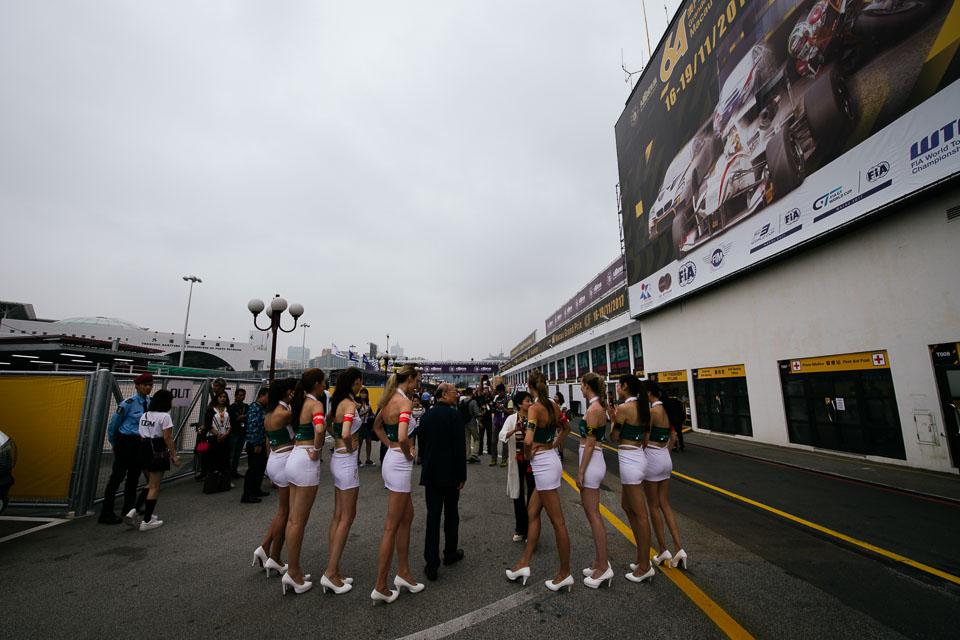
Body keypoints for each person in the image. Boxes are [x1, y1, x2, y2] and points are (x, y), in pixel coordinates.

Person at [506, 370, 572, 592]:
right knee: (532, 513)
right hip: (551, 459)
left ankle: (565, 573)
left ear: (530, 386)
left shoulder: (534, 409)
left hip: (543, 465)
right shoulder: (554, 407)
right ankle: (524, 564)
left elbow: (528, 438)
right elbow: (567, 428)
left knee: (558, 521)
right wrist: (553, 445)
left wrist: (528, 453)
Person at [371, 364, 424, 604]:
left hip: (391, 460)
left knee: (407, 515)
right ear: (410, 379)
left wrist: (390, 446)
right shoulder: (404, 403)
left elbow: (376, 426)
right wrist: (407, 451)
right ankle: (380, 585)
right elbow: (403, 435)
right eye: (417, 381)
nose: (418, 385)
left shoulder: (388, 399)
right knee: (391, 526)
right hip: (400, 464)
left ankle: (403, 573)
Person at [280, 369, 326, 595]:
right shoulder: (315, 404)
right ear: (317, 384)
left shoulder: (299, 402)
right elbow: (319, 429)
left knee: (292, 519)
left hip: (294, 457)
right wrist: (318, 451)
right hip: (307, 459)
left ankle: (294, 568)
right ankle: (293, 572)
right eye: (324, 382)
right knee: (299, 521)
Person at [608, 374, 655, 583]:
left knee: (640, 513)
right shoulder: (645, 409)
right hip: (639, 457)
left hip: (629, 460)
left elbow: (614, 437)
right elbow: (645, 439)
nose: (617, 388)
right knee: (627, 506)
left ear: (625, 386)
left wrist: (613, 420)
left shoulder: (625, 409)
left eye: (618, 385)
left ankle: (645, 566)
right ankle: (641, 558)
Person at [418, 382, 467, 581]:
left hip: (431, 474)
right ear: (444, 395)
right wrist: (462, 475)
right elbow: (459, 447)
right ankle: (450, 553)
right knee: (451, 514)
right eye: (454, 392)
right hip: (450, 475)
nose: (457, 395)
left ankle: (431, 564)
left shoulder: (426, 416)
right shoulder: (454, 416)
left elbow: (422, 445)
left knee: (432, 517)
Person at [323, 367, 364, 595]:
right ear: (356, 382)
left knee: (338, 516)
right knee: (346, 518)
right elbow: (347, 433)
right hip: (347, 462)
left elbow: (331, 425)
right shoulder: (348, 405)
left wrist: (340, 440)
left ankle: (335, 569)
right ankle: (330, 573)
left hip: (337, 460)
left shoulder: (338, 402)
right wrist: (349, 446)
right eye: (361, 382)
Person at [252, 378, 297, 579]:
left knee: (281, 511)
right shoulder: (285, 413)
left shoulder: (269, 413)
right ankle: (275, 557)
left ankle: (265, 547)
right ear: (287, 393)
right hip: (285, 460)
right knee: (285, 512)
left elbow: (269, 440)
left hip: (275, 459)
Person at [644, 380, 687, 569]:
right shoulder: (668, 411)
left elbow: (644, 440)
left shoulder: (652, 412)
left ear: (648, 394)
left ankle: (663, 550)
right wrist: (665, 454)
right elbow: (673, 437)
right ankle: (679, 548)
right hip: (665, 457)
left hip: (652, 457)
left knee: (653, 506)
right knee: (665, 504)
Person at [100, 373, 153, 525]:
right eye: (145, 385)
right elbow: (114, 426)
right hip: (126, 441)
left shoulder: (150, 403)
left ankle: (129, 508)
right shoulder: (127, 403)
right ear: (137, 386)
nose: (148, 388)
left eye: (150, 385)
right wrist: (115, 444)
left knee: (134, 477)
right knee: (117, 477)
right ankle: (106, 511)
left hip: (140, 442)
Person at [577, 373, 611, 588]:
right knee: (592, 514)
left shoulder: (593, 410)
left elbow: (589, 444)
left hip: (591, 462)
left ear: (587, 387)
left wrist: (580, 472)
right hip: (594, 460)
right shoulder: (599, 408)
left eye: (581, 384)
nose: (580, 387)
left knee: (593, 515)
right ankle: (599, 561)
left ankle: (604, 567)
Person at [136, 389, 180, 531]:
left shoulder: (145, 415)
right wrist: (174, 454)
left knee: (150, 483)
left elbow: (142, 435)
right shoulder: (164, 417)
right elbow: (167, 437)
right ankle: (147, 520)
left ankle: (136, 509)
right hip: (158, 449)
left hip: (144, 448)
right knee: (155, 486)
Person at [498, 391, 535, 542]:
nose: (530, 403)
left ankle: (532, 531)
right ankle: (520, 529)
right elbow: (502, 435)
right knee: (518, 495)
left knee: (533, 497)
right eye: (527, 401)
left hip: (532, 462)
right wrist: (515, 429)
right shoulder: (512, 419)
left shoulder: (535, 418)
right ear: (519, 404)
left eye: (531, 400)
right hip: (517, 461)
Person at [241, 387, 269, 504]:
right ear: (261, 396)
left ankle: (256, 489)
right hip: (255, 443)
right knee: (253, 468)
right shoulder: (254, 408)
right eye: (268, 397)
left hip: (262, 442)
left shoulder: (262, 408)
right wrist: (257, 443)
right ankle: (247, 494)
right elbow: (253, 427)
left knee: (260, 468)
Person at [203, 390, 232, 483]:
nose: (222, 399)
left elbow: (231, 423)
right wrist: (217, 434)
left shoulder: (228, 409)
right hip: (213, 437)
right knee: (213, 457)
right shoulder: (211, 410)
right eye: (220, 397)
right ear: (216, 398)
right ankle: (212, 479)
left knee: (225, 458)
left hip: (225, 436)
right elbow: (208, 424)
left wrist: (226, 433)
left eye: (224, 397)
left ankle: (225, 479)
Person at [227, 388, 249, 479]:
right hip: (234, 432)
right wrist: (241, 417)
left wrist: (242, 417)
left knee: (238, 453)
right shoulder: (231, 407)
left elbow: (248, 416)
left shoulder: (246, 406)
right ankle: (228, 472)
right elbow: (234, 419)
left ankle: (234, 470)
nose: (241, 397)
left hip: (242, 432)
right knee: (231, 453)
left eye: (243, 395)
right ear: (235, 396)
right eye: (239, 395)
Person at [492, 384, 514, 468]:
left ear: (504, 391)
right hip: (496, 422)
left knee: (504, 442)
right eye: (498, 392)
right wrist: (493, 407)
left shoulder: (508, 399)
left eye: (500, 392)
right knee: (494, 442)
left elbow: (510, 411)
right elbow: (493, 407)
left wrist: (502, 408)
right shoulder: (496, 398)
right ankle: (493, 458)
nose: (499, 393)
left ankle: (504, 460)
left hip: (505, 423)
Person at [459, 387, 481, 463]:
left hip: (464, 423)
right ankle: (475, 454)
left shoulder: (461, 402)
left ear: (465, 394)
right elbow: (476, 413)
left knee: (467, 440)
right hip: (472, 423)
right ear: (472, 393)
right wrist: (480, 423)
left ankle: (467, 457)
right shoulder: (473, 402)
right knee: (476, 438)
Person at [356, 388, 376, 466]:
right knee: (359, 442)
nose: (364, 395)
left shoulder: (368, 403)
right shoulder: (357, 404)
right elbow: (357, 415)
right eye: (362, 393)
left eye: (365, 393)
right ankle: (357, 459)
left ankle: (368, 459)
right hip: (359, 424)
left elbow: (370, 414)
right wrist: (365, 412)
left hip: (367, 423)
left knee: (369, 441)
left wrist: (370, 412)